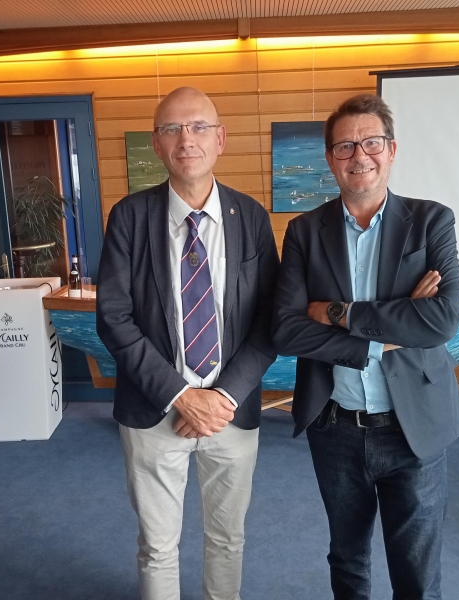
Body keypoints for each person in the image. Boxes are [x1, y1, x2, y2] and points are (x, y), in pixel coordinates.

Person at [271, 93, 459, 600]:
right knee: (347, 559)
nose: (359, 155)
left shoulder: (431, 221)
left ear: (392, 149)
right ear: (330, 158)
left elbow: (441, 320)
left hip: (413, 425)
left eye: (372, 142)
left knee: (417, 571)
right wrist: (384, 337)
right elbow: (286, 330)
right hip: (335, 426)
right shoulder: (304, 232)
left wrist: (337, 313)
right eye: (345, 146)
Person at [96, 86, 279, 600]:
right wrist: (181, 395)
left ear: (220, 138)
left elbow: (271, 319)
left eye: (199, 127)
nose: (186, 139)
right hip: (154, 410)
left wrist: (222, 397)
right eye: (172, 129)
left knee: (228, 539)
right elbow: (113, 318)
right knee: (157, 547)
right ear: (156, 144)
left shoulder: (252, 217)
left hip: (230, 411)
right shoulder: (129, 217)